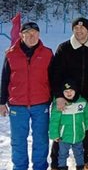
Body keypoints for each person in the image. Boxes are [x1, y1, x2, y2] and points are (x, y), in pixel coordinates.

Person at [51, 17, 88, 170]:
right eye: (76, 28)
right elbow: (55, 74)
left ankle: (83, 160)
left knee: (85, 127)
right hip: (67, 96)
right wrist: (59, 96)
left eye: (82, 28)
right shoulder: (64, 48)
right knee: (62, 128)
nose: (79, 31)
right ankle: (56, 162)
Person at [0, 22, 53, 170]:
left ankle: (40, 167)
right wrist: (1, 102)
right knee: (18, 140)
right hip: (18, 105)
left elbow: (53, 78)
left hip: (41, 103)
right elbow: (5, 79)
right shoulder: (11, 54)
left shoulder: (47, 53)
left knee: (41, 140)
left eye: (35, 33)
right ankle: (20, 167)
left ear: (39, 35)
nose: (32, 36)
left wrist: (56, 98)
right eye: (28, 33)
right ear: (21, 36)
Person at [49, 79, 88, 170]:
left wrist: (85, 127)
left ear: (75, 90)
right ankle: (62, 167)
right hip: (64, 137)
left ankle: (80, 167)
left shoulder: (82, 102)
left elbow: (87, 116)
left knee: (79, 153)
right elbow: (54, 121)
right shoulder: (60, 104)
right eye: (66, 91)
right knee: (62, 154)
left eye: (71, 90)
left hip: (78, 135)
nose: (69, 93)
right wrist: (54, 134)